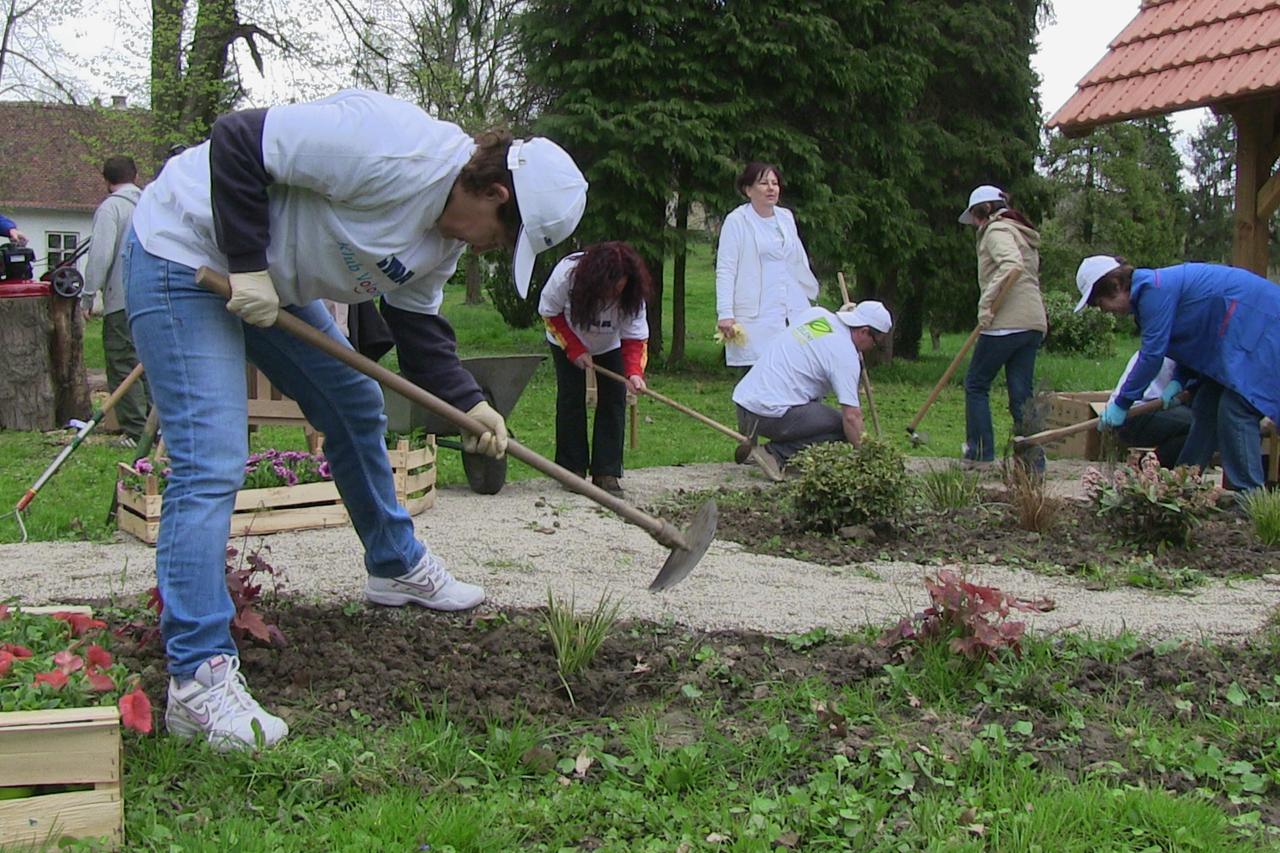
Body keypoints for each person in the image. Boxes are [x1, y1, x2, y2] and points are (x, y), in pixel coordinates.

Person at [124, 89, 587, 751]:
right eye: (502, 238)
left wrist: (470, 402)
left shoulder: (443, 242)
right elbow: (235, 138)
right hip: (185, 249)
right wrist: (250, 266)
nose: (491, 251)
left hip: (266, 283)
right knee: (211, 457)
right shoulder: (390, 144)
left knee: (353, 402)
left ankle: (395, 564)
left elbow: (419, 325)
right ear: (496, 195)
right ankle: (197, 682)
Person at [1075, 255, 1280, 495]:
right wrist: (1179, 380)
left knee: (1236, 407)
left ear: (1116, 286)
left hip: (1261, 324)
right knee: (1206, 403)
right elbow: (1194, 336)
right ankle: (1182, 486)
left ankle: (1252, 500)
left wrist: (1122, 403)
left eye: (1101, 303)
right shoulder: (1153, 293)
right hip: (1242, 332)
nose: (1105, 311)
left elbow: (1151, 356)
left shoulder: (1154, 291)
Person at [539, 241, 650, 498]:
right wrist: (575, 349)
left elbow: (635, 338)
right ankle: (571, 470)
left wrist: (634, 372)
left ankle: (607, 472)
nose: (614, 294)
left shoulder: (633, 295)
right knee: (571, 398)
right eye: (609, 289)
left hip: (609, 344)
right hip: (566, 337)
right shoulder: (566, 276)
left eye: (619, 289)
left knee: (614, 398)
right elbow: (549, 313)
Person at [733, 301, 892, 468]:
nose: (871, 348)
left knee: (815, 405)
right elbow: (852, 417)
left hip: (745, 407)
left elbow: (824, 342)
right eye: (875, 343)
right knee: (841, 428)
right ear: (864, 331)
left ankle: (752, 449)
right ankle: (774, 454)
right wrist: (869, 459)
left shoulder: (816, 315)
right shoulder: (845, 355)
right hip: (769, 416)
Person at [958, 185, 1047, 470]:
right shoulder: (1021, 231)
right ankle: (1032, 462)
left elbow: (1011, 266)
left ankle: (980, 453)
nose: (974, 224)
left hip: (1005, 322)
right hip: (1032, 322)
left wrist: (986, 304)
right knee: (1022, 394)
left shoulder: (997, 232)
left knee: (976, 384)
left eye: (974, 217)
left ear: (981, 212)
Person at [715, 162, 819, 370]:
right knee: (759, 373)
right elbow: (726, 269)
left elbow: (797, 260)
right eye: (764, 183)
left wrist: (809, 293)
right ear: (748, 190)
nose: (771, 188)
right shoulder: (737, 221)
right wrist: (725, 313)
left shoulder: (786, 217)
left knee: (798, 366)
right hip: (757, 314)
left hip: (791, 307)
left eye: (775, 183)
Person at [84, 155, 151, 446]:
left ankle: (136, 432)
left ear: (107, 180)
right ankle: (154, 426)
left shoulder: (111, 207)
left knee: (123, 363)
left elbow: (100, 255)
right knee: (148, 363)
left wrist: (88, 295)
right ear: (135, 175)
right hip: (153, 296)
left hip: (121, 297)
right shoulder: (151, 204)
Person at [1106, 351, 1192, 468]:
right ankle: (1150, 467)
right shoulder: (1160, 349)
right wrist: (1122, 404)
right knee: (1200, 425)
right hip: (1133, 413)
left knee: (1202, 424)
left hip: (1148, 409)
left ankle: (1154, 466)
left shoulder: (1185, 345)